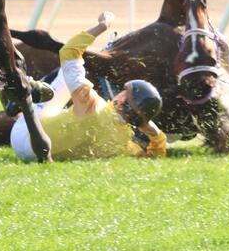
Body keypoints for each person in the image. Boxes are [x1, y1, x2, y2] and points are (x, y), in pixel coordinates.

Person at [10, 11, 167, 162]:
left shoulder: (92, 103)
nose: (119, 93)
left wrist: (102, 26)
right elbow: (155, 156)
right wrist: (155, 134)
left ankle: (25, 94)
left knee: (68, 76)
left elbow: (69, 52)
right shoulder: (122, 144)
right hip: (41, 152)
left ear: (123, 102)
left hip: (23, 137)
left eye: (125, 92)